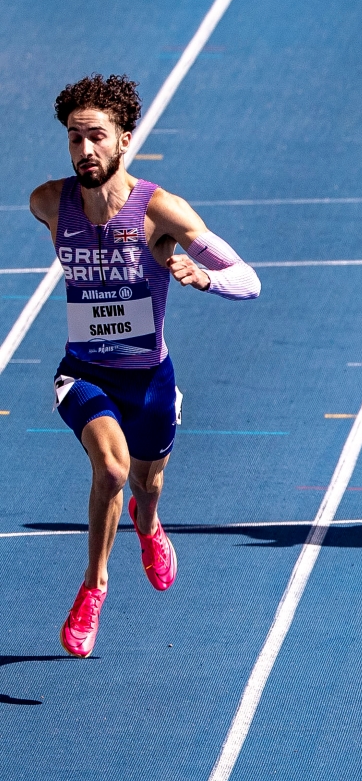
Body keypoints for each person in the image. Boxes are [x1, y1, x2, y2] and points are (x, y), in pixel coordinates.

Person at [29, 74, 260, 658]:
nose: (85, 152)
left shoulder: (161, 211)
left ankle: (149, 524)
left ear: (124, 141)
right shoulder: (49, 203)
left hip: (151, 380)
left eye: (97, 138)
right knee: (110, 466)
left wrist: (203, 276)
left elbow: (248, 280)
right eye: (75, 140)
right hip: (83, 373)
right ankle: (93, 588)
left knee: (146, 484)